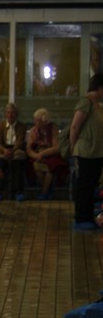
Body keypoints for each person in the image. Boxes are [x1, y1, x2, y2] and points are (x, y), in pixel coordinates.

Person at [69, 73, 103, 230]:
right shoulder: (86, 102)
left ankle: (88, 216)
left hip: (96, 151)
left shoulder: (98, 105)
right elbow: (75, 126)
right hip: (86, 151)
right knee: (84, 185)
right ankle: (81, 217)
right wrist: (73, 147)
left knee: (91, 185)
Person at [26, 108, 64, 201]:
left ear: (44, 121)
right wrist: (36, 156)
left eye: (37, 120)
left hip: (51, 154)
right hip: (37, 155)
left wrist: (43, 154)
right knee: (36, 166)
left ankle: (44, 192)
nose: (34, 122)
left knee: (51, 168)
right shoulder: (33, 131)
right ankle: (48, 190)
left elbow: (56, 147)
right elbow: (29, 149)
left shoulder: (53, 129)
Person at [0, 102, 27, 201]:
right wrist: (4, 150)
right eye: (8, 112)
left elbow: (20, 142)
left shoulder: (22, 126)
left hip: (16, 149)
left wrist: (12, 150)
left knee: (17, 162)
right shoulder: (0, 125)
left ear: (16, 114)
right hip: (3, 149)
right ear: (5, 114)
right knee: (0, 163)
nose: (10, 115)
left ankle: (18, 191)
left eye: (13, 113)